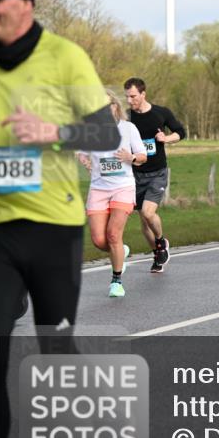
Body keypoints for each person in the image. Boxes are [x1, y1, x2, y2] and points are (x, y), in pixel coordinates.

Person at [0, 0, 124, 438]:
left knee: (54, 352)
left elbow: (104, 137)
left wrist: (50, 132)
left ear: (25, 4)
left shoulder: (65, 58)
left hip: (52, 227)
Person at [77, 91, 147, 297]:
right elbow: (81, 152)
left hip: (123, 188)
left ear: (115, 107)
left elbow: (142, 156)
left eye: (108, 105)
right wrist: (85, 160)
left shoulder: (128, 129)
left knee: (113, 234)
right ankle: (120, 251)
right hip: (98, 188)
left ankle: (116, 281)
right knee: (99, 240)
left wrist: (130, 156)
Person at [124, 77, 186, 273]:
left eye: (133, 96)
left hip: (157, 173)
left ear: (143, 94)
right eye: (126, 97)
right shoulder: (125, 117)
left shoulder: (161, 113)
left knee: (148, 213)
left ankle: (161, 243)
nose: (129, 101)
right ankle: (157, 253)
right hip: (134, 175)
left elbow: (180, 132)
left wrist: (166, 138)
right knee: (144, 223)